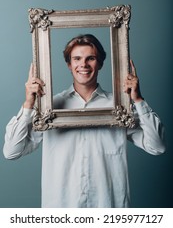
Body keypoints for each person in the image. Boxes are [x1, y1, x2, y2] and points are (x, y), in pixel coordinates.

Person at [3, 34, 165, 208]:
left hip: (108, 209)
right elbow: (11, 151)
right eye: (77, 58)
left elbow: (157, 147)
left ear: (100, 63)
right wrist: (28, 104)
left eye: (91, 58)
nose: (84, 64)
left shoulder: (119, 107)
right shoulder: (50, 108)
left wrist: (138, 100)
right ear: (69, 64)